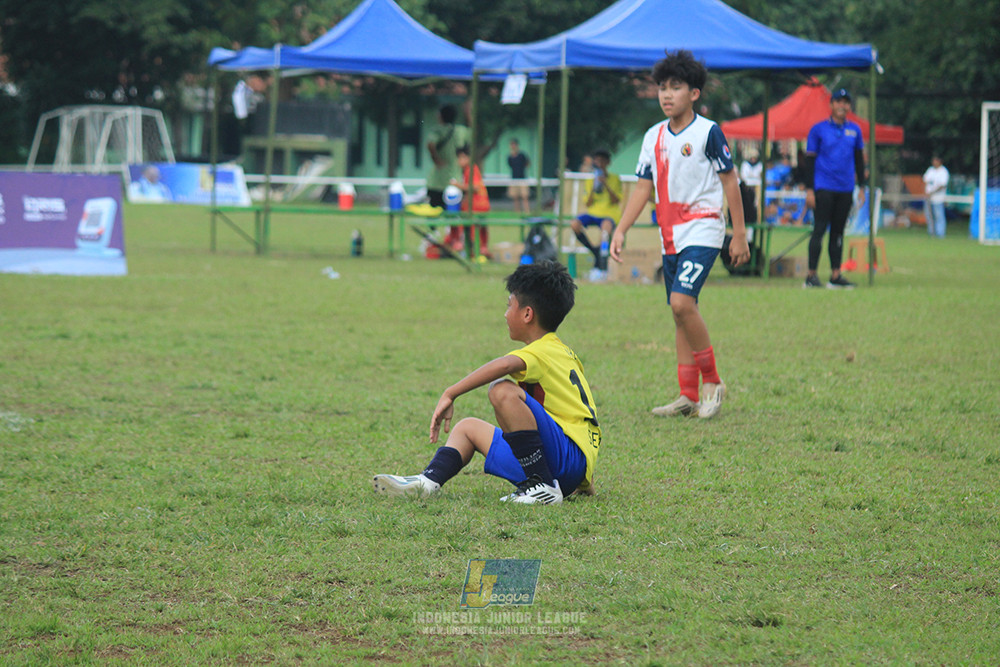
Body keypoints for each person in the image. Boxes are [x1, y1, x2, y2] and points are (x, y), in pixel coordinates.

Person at [372, 261, 601, 505]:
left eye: (509, 305)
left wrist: (451, 393)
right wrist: (584, 483)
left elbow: (504, 365)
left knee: (502, 390)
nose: (505, 313)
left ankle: (541, 484)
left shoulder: (543, 351)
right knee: (467, 428)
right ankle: (426, 482)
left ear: (527, 314)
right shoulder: (564, 352)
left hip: (564, 463)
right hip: (567, 466)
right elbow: (579, 418)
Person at [609, 49, 749, 420]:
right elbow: (642, 188)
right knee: (680, 314)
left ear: (695, 94)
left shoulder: (708, 131)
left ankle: (713, 383)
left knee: (682, 303)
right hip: (669, 235)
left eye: (676, 87)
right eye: (662, 88)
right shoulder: (653, 136)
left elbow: (730, 181)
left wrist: (739, 234)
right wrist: (620, 230)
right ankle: (686, 394)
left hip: (704, 228)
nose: (667, 95)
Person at [803, 88, 866, 289]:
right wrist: (810, 190)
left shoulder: (854, 130)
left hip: (845, 188)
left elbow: (859, 161)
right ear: (831, 105)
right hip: (823, 187)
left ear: (849, 106)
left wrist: (862, 187)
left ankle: (836, 275)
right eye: (838, 101)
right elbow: (809, 161)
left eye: (846, 102)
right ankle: (811, 275)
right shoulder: (818, 129)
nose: (842, 105)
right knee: (819, 229)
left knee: (838, 232)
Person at [570, 149, 622, 280]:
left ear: (607, 162)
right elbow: (587, 203)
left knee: (605, 230)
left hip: (608, 213)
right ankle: (595, 252)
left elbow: (616, 200)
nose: (599, 163)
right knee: (574, 224)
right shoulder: (590, 180)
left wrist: (605, 184)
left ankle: (602, 264)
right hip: (593, 212)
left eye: (602, 161)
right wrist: (594, 186)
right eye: (597, 161)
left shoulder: (615, 179)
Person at [443, 145, 491, 257]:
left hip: (477, 205)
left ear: (466, 157)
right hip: (479, 204)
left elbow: (475, 187)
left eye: (460, 158)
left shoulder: (471, 169)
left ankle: (471, 249)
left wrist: (456, 185)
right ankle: (480, 249)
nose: (459, 161)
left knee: (468, 226)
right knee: (480, 227)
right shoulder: (468, 170)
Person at [425, 104, 469, 209]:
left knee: (433, 212)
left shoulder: (438, 130)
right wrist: (468, 114)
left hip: (437, 181)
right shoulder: (461, 130)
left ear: (440, 116)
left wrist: (435, 159)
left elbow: (430, 144)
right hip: (455, 178)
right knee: (453, 212)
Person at [922, 155, 949, 238]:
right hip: (928, 198)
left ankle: (940, 234)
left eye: (935, 160)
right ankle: (931, 233)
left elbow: (942, 185)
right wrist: (926, 192)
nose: (934, 162)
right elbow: (925, 181)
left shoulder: (943, 172)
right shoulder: (930, 170)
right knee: (929, 215)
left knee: (939, 216)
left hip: (938, 198)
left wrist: (932, 192)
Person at [507, 138, 531, 215]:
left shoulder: (522, 155)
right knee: (515, 197)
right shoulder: (510, 157)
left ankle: (527, 211)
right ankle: (517, 212)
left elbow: (527, 163)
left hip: (522, 178)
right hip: (514, 178)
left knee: (524, 196)